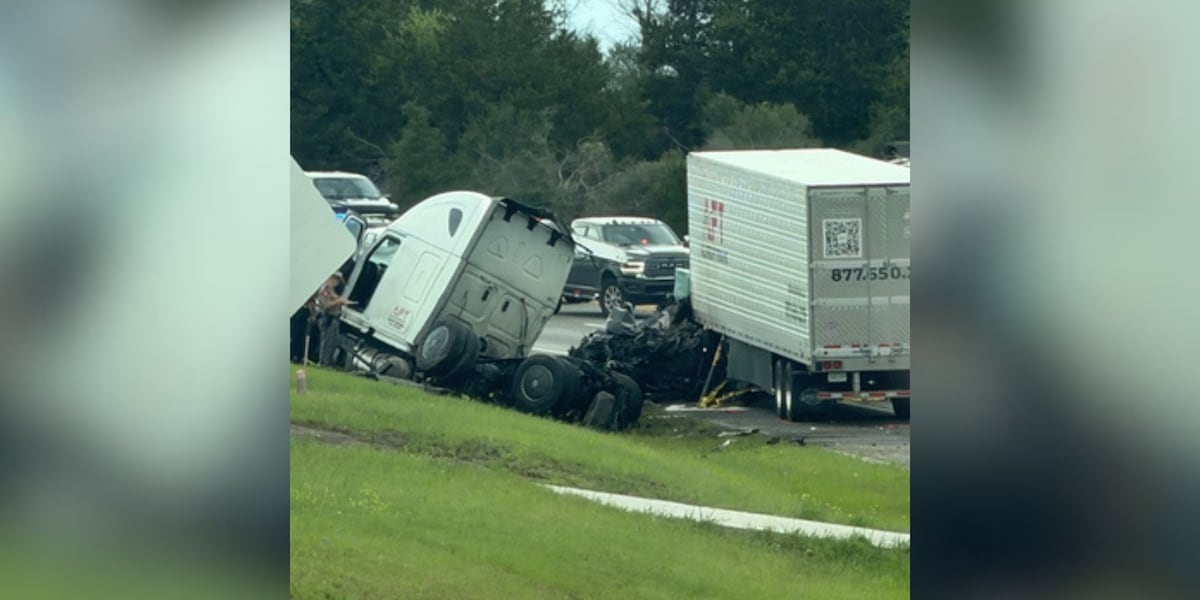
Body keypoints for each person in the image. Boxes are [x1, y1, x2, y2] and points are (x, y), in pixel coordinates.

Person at [315, 273, 351, 367]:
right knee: (327, 342)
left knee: (332, 343)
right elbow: (325, 306)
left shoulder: (332, 290)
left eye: (338, 281)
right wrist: (338, 301)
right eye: (335, 280)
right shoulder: (325, 290)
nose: (337, 282)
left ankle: (327, 362)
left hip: (334, 318)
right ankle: (323, 363)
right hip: (327, 318)